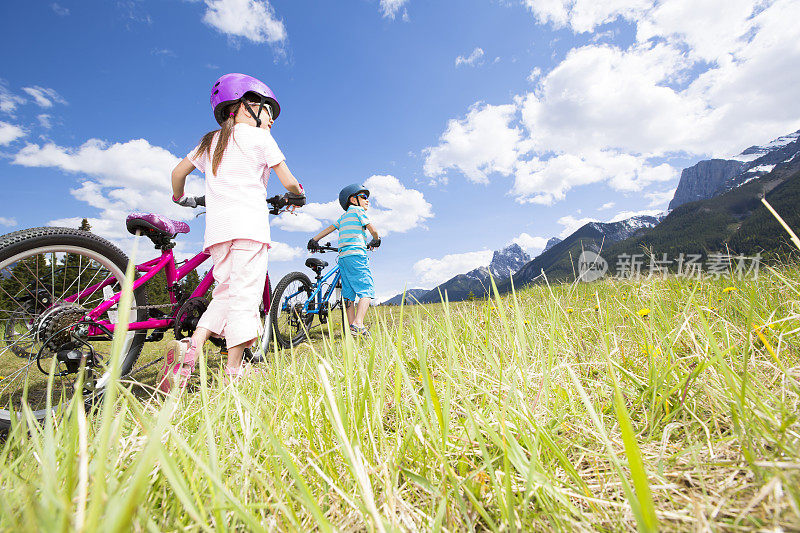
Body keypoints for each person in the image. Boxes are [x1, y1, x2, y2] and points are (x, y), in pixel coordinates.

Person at [159, 73, 305, 392]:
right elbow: (289, 181)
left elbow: (177, 173)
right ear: (246, 106)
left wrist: (180, 198)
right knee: (245, 297)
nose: (270, 119)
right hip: (249, 228)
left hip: (218, 233)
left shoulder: (210, 141)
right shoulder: (260, 138)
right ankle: (235, 370)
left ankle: (192, 346)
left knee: (225, 293)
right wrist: (298, 195)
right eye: (267, 110)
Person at [307, 184, 380, 336]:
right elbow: (372, 229)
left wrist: (314, 240)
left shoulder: (343, 217)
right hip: (357, 256)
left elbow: (329, 229)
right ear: (353, 200)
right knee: (366, 288)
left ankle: (352, 326)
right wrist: (376, 239)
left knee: (348, 293)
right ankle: (358, 324)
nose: (367, 201)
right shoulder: (358, 211)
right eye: (364, 197)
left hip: (343, 258)